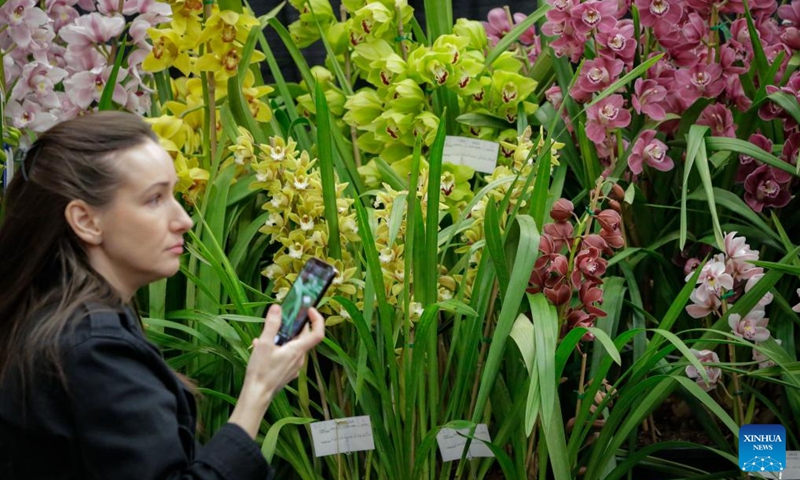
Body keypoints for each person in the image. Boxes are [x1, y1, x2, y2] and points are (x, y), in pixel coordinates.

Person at [0, 111, 325, 479]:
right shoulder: (92, 348)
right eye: (154, 199)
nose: (183, 219)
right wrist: (259, 388)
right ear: (87, 221)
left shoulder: (54, 315)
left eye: (173, 194)